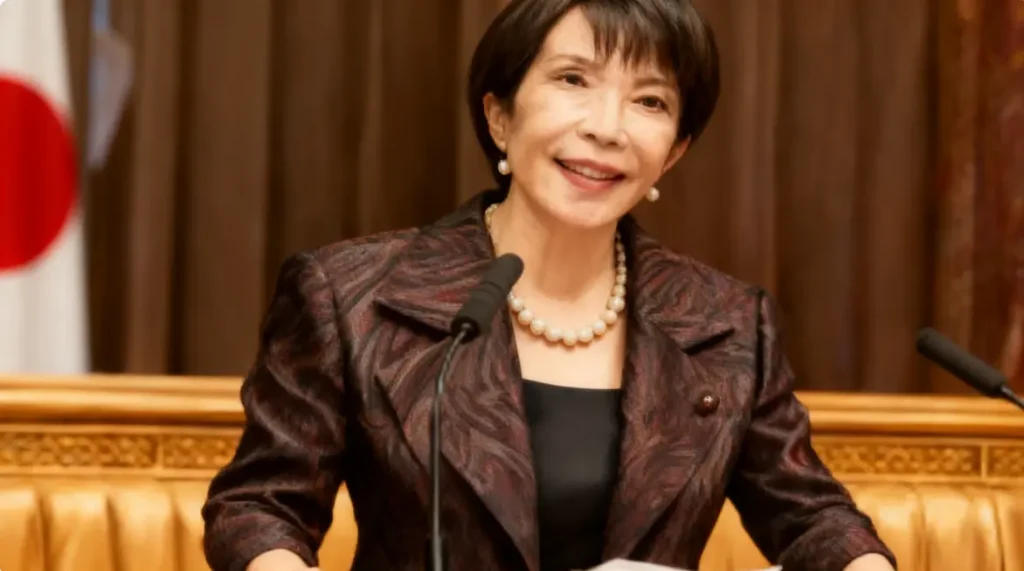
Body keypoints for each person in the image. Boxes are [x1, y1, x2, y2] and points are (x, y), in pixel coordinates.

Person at [202, 1, 898, 570]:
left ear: (674, 151)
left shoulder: (728, 323)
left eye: (650, 100)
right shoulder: (350, 295)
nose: (607, 128)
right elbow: (259, 508)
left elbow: (814, 518)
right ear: (499, 115)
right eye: (573, 80)